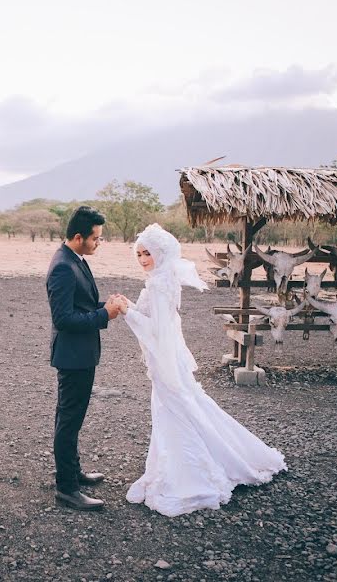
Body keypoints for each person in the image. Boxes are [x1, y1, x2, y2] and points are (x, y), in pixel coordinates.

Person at [120, 223, 286, 517]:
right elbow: (158, 320)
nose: (144, 259)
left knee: (175, 409)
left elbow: (156, 330)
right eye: (140, 254)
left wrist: (126, 312)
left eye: (148, 253)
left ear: (161, 254)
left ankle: (187, 474)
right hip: (169, 358)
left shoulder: (159, 284)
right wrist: (130, 306)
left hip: (165, 358)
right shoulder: (162, 279)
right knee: (186, 405)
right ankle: (208, 459)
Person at [45, 206, 124, 511]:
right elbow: (63, 319)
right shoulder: (63, 267)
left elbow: (83, 304)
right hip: (72, 356)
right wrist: (105, 314)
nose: (98, 244)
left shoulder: (75, 259)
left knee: (70, 419)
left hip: (81, 354)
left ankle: (72, 472)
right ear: (78, 237)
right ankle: (67, 489)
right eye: (96, 239)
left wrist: (108, 304)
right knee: (69, 420)